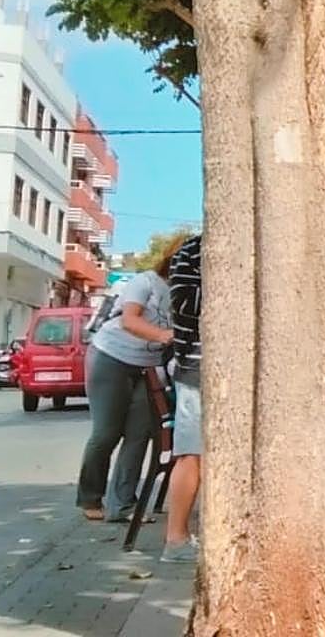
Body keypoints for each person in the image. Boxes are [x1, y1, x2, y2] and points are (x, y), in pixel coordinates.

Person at [76, 237, 182, 522]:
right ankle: (90, 498)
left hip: (147, 367)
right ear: (174, 261)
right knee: (107, 432)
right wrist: (164, 336)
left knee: (139, 435)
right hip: (111, 357)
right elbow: (130, 320)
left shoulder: (188, 292)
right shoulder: (146, 282)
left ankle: (123, 505)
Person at [161, 234, 202, 563]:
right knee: (192, 454)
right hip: (198, 368)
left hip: (207, 367)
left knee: (196, 454)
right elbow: (185, 305)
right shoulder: (193, 250)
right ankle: (175, 538)